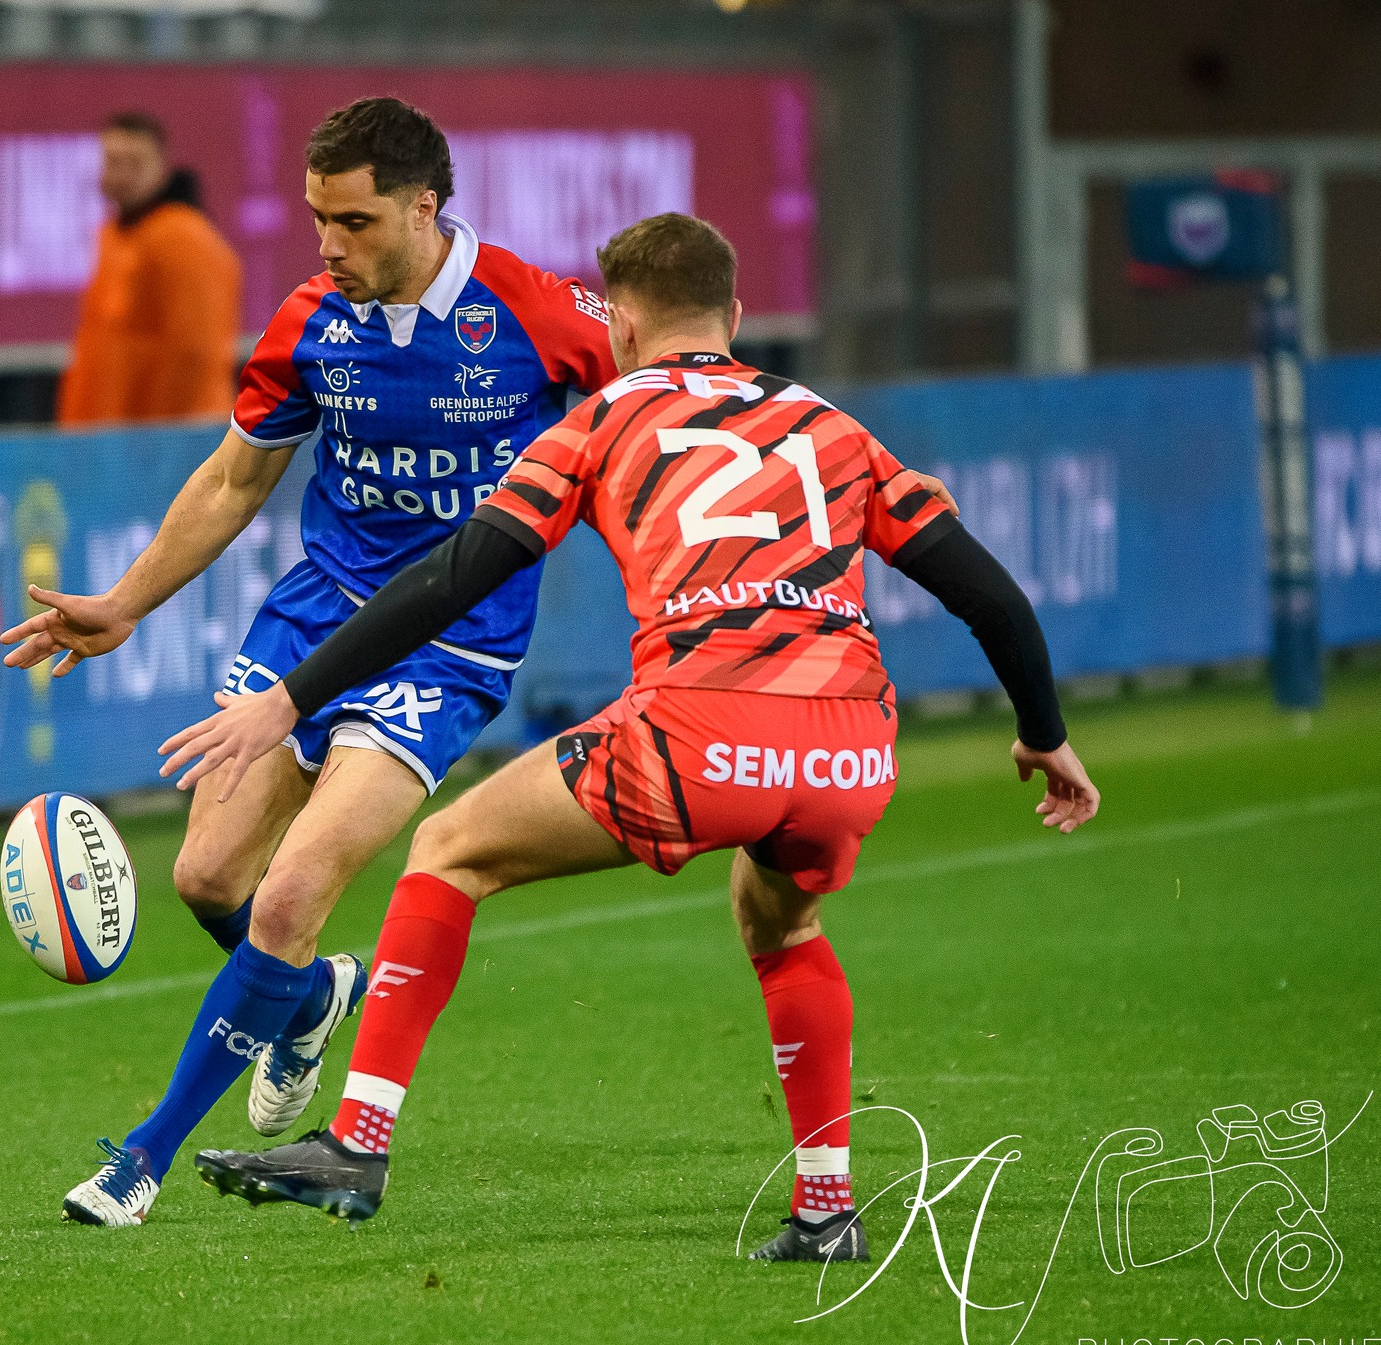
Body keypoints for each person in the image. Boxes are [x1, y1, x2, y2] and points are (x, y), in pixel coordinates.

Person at [172, 213, 1101, 1262]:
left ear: (615, 323)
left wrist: (293, 697)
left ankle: (355, 1142)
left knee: (445, 851)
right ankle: (825, 1210)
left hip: (696, 735)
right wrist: (1042, 733)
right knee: (779, 922)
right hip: (847, 750)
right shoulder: (830, 425)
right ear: (734, 316)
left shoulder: (602, 419)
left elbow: (449, 578)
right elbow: (987, 593)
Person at [1, 97, 620, 1226]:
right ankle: (302, 1007)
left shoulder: (538, 313)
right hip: (311, 622)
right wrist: (125, 605)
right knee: (206, 881)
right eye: (315, 218)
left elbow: (664, 388)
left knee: (290, 894)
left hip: (449, 648)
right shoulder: (307, 321)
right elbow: (237, 481)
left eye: (353, 221)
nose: (327, 244)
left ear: (424, 208)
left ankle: (138, 1162)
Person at [56, 112, 241, 428]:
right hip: (114, 441)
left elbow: (194, 352)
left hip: (168, 444)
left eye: (135, 163)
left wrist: (159, 441)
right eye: (114, 162)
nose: (123, 174)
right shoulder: (115, 235)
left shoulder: (182, 235)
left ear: (161, 167)